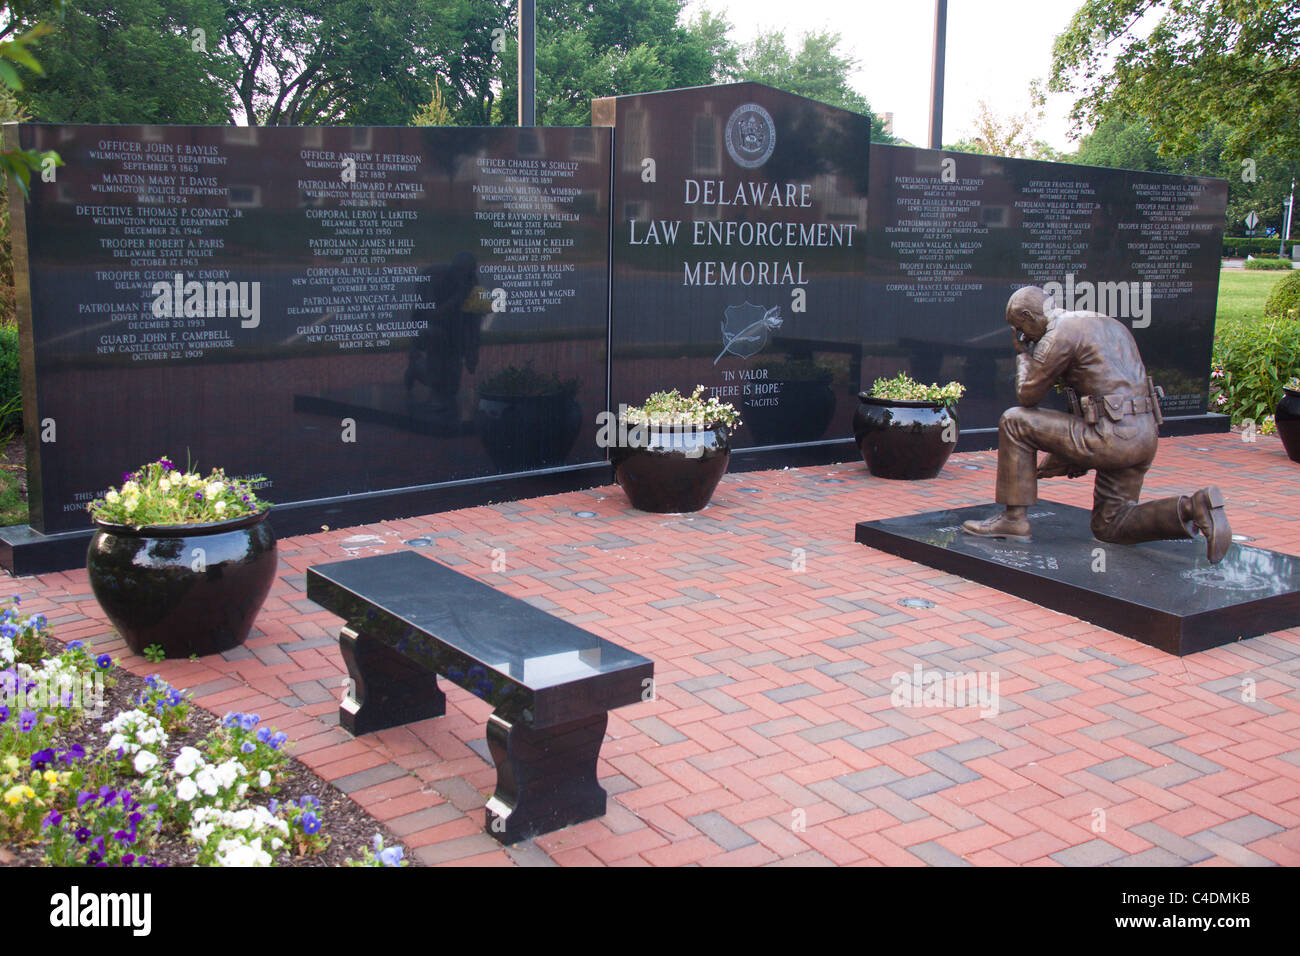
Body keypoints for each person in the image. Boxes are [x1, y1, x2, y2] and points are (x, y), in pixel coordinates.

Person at [961, 285, 1231, 564]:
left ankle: (1013, 519)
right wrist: (1069, 455)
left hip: (1110, 437)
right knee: (1111, 526)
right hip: (1142, 436)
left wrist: (1022, 354)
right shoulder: (1107, 323)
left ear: (1029, 315)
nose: (1024, 336)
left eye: (1020, 329)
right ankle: (1192, 507)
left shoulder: (1058, 333)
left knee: (1014, 420)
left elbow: (1027, 394)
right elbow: (1103, 388)